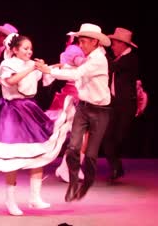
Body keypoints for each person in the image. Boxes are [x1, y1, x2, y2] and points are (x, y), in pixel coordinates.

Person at [0, 33, 70, 216]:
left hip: (30, 108)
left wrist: (50, 68)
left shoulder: (30, 64)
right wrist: (31, 68)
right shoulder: (7, 64)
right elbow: (10, 81)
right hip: (14, 110)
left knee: (38, 151)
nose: (29, 51)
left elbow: (44, 77)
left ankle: (35, 197)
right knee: (13, 157)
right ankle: (10, 200)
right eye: (25, 48)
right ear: (15, 49)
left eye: (30, 48)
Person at [36, 23, 111, 202]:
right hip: (83, 108)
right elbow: (75, 71)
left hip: (100, 111)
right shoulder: (89, 57)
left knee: (91, 154)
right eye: (80, 41)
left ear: (95, 42)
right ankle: (73, 182)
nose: (81, 45)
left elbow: (78, 74)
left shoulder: (98, 59)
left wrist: (50, 71)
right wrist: (58, 68)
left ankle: (86, 184)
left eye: (84, 41)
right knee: (73, 147)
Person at [45, 33, 87, 183]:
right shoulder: (74, 50)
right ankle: (67, 167)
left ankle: (68, 167)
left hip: (78, 93)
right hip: (73, 95)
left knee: (79, 135)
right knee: (77, 135)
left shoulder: (73, 50)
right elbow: (81, 64)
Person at [102, 27, 140, 182]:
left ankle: (117, 167)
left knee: (118, 137)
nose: (112, 46)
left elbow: (112, 67)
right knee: (107, 137)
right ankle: (116, 168)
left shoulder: (130, 58)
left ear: (123, 44)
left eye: (114, 44)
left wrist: (102, 53)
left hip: (125, 105)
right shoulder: (120, 58)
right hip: (114, 104)